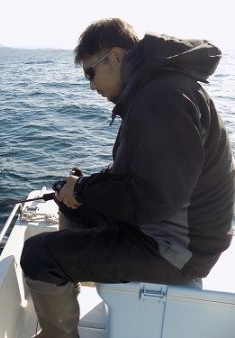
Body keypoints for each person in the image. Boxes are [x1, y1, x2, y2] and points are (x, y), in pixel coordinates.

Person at [20, 18, 234, 338]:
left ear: (117, 57)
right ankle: (77, 271)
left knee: (38, 256)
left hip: (179, 248)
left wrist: (85, 189)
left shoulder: (161, 99)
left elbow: (154, 202)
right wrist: (81, 188)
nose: (91, 85)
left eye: (90, 72)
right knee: (71, 204)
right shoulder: (156, 90)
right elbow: (141, 177)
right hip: (175, 229)